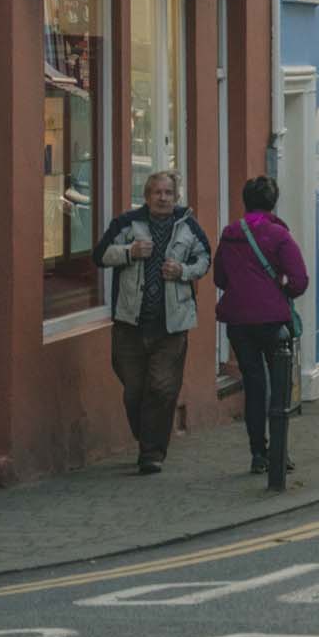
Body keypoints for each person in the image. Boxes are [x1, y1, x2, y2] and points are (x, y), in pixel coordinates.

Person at [93, 171, 212, 474]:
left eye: (168, 193)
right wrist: (129, 253)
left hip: (171, 324)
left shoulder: (188, 226)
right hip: (130, 323)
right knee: (134, 390)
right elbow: (100, 255)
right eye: (157, 192)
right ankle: (148, 438)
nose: (162, 198)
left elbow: (205, 260)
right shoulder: (127, 224)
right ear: (146, 196)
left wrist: (183, 271)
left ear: (176, 197)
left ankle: (152, 453)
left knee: (161, 387)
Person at [214, 175, 309, 475]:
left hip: (239, 323)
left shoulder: (230, 235)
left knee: (254, 386)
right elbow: (299, 280)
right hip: (272, 323)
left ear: (245, 201)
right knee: (279, 387)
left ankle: (258, 453)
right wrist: (281, 290)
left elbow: (219, 278)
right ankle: (280, 452)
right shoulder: (279, 236)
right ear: (273, 202)